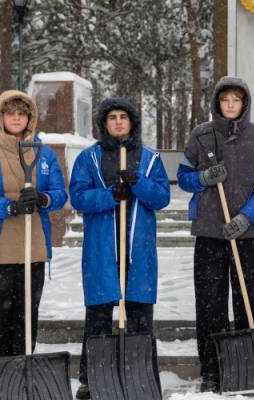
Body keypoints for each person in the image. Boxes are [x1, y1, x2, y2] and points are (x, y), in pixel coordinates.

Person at [177, 76, 254, 393]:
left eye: (236, 99)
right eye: (225, 99)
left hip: (246, 235)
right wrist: (203, 177)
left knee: (250, 302)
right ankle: (212, 368)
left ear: (244, 103)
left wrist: (247, 217)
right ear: (217, 103)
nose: (230, 104)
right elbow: (182, 176)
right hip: (209, 231)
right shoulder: (201, 135)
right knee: (210, 304)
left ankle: (248, 365)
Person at [0, 90, 67, 382]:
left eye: (22, 113)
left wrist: (43, 199)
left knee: (25, 319)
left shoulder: (43, 153)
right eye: (10, 113)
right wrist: (8, 206)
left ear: (30, 117)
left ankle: (22, 376)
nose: (16, 118)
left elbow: (60, 194)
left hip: (31, 250)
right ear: (1, 117)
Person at [69, 97, 170, 399]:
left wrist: (138, 183)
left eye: (122, 117)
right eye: (111, 117)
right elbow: (79, 197)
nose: (117, 122)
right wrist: (111, 194)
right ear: (104, 123)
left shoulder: (150, 159)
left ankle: (140, 375)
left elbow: (161, 197)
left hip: (137, 249)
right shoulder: (90, 158)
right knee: (98, 315)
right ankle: (91, 377)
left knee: (139, 314)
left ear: (132, 122)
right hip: (103, 248)